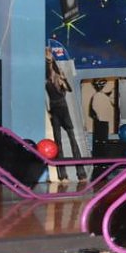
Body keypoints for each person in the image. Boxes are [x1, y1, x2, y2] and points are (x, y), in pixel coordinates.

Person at [45, 47, 87, 181]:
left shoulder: (60, 80)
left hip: (63, 109)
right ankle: (62, 175)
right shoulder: (47, 79)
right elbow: (48, 71)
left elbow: (68, 89)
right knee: (58, 144)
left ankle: (81, 173)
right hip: (55, 110)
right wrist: (49, 60)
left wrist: (63, 79)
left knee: (73, 140)